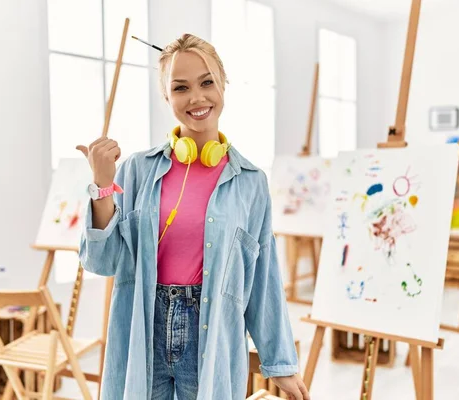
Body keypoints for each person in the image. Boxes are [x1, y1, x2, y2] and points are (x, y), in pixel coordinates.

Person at [77, 33, 310, 400]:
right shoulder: (137, 170)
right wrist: (102, 184)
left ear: (223, 84)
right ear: (166, 96)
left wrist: (280, 363)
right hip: (144, 332)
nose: (197, 98)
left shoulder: (251, 183)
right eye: (181, 87)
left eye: (207, 83)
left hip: (211, 334)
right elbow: (101, 261)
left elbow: (263, 277)